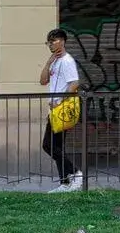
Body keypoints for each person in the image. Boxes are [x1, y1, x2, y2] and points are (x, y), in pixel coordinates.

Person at [39, 28, 83, 193]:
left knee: (48, 145)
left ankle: (75, 173)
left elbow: (74, 83)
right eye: (48, 42)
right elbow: (43, 81)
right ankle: (65, 183)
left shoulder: (67, 60)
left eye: (54, 41)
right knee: (56, 146)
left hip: (61, 110)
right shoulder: (56, 61)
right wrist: (48, 63)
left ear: (62, 41)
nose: (50, 44)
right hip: (54, 110)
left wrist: (59, 102)